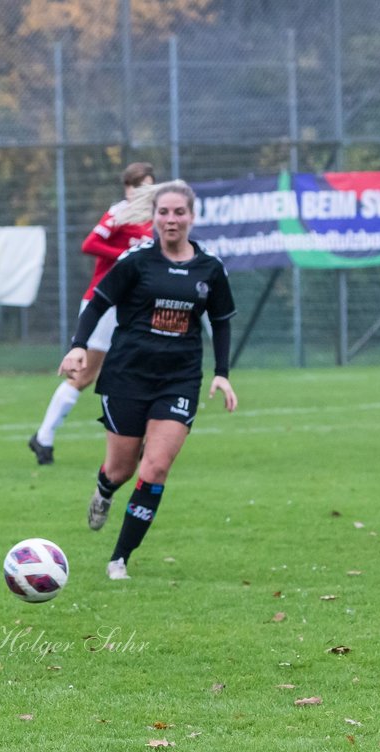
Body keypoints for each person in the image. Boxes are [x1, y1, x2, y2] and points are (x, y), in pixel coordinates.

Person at [59, 180, 237, 580]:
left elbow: (221, 323)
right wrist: (78, 346)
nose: (171, 220)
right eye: (164, 212)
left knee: (154, 467)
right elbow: (98, 303)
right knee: (121, 470)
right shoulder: (136, 261)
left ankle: (119, 558)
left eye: (179, 212)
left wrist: (222, 374)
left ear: (192, 217)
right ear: (153, 217)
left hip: (179, 380)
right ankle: (105, 490)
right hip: (127, 375)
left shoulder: (210, 267)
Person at [29, 162, 156, 464]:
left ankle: (137, 442)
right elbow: (90, 243)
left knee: (139, 372)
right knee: (85, 375)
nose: (142, 193)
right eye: (137, 186)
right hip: (105, 304)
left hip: (135, 308)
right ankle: (43, 437)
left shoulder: (156, 220)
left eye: (148, 186)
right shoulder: (119, 213)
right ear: (127, 189)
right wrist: (125, 256)